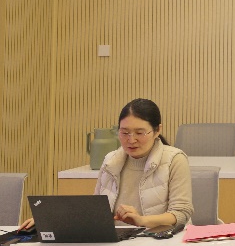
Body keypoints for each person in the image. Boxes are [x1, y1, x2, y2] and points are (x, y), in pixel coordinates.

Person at [20, 98, 195, 231]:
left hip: (159, 241)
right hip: (117, 242)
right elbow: (96, 211)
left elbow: (181, 213)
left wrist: (142, 221)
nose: (131, 140)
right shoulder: (111, 161)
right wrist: (50, 220)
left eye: (139, 133)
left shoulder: (174, 159)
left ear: (157, 130)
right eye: (124, 132)